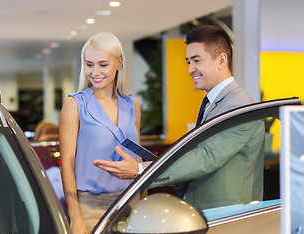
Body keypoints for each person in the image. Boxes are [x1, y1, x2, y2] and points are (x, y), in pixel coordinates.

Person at [93, 25, 265, 210]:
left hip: (227, 215)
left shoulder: (239, 105)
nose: (191, 69)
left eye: (196, 60)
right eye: (188, 62)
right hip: (206, 212)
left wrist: (141, 170)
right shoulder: (215, 102)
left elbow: (206, 157)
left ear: (221, 60)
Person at [59, 32, 141, 234]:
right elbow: (67, 165)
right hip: (90, 207)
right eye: (89, 64)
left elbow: (136, 159)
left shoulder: (133, 106)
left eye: (103, 64)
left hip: (132, 202)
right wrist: (76, 216)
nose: (95, 72)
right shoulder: (75, 105)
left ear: (119, 63)